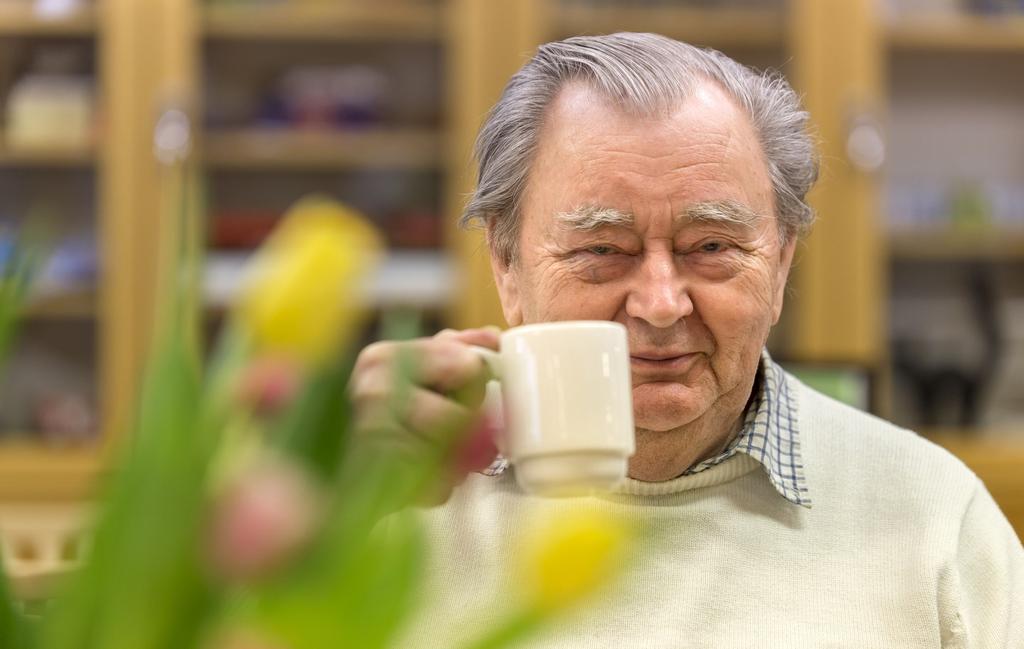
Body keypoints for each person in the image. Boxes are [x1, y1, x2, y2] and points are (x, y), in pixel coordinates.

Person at [350, 33, 1023, 647]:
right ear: (507, 266)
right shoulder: (397, 496)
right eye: (602, 248)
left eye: (711, 245)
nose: (662, 304)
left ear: (782, 261)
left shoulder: (934, 515)